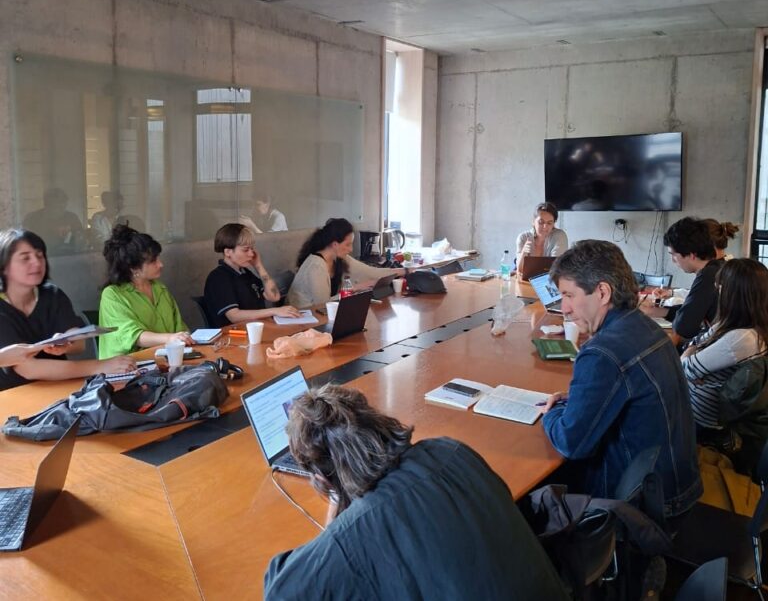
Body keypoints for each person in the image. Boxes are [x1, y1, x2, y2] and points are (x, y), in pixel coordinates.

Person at [264, 384, 569, 600]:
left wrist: (336, 512)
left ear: (325, 479)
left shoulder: (357, 531)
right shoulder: (450, 450)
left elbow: (280, 591)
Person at [542, 240, 701, 518]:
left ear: (602, 292)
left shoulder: (602, 353)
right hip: (676, 484)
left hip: (645, 508)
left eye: (568, 295)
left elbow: (572, 443)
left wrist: (553, 411)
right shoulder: (648, 328)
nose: (564, 308)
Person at [0, 228, 136, 391]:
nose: (36, 263)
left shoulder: (52, 294)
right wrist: (100, 366)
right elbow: (28, 368)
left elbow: (79, 344)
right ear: (4, 266)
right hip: (15, 394)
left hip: (62, 385)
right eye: (25, 258)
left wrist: (65, 342)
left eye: (39, 255)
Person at [681, 258, 768, 431]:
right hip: (697, 412)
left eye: (720, 286)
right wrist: (693, 350)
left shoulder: (741, 338)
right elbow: (695, 343)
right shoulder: (740, 326)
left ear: (733, 293)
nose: (717, 290)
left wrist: (692, 353)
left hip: (703, 424)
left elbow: (684, 367)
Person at [98, 224, 191, 358]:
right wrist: (170, 338)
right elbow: (133, 335)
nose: (160, 264)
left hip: (165, 361)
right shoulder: (112, 295)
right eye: (153, 261)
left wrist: (182, 337)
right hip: (128, 368)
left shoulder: (160, 288)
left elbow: (179, 327)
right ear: (133, 268)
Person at [640, 217, 723, 346]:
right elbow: (692, 312)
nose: (673, 260)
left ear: (691, 254)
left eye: (673, 254)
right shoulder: (718, 268)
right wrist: (657, 311)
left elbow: (685, 327)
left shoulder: (709, 275)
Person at [287, 218, 405, 309]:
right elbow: (323, 304)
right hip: (302, 318)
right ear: (335, 244)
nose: (351, 249)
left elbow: (370, 272)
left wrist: (403, 271)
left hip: (322, 315)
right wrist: (355, 288)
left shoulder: (339, 258)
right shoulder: (316, 266)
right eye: (347, 244)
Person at [204, 223, 301, 327]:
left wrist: (259, 266)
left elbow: (274, 296)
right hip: (234, 336)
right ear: (228, 252)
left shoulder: (245, 273)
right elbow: (234, 316)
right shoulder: (218, 277)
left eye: (252, 248)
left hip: (256, 329)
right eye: (245, 250)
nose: (251, 254)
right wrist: (274, 311)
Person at [23, 187, 86, 255]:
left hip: (68, 256)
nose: (62, 207)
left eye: (63, 203)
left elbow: (81, 239)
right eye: (57, 203)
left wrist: (76, 238)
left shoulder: (72, 217)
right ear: (47, 203)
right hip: (42, 255)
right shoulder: (33, 218)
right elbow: (25, 241)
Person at [516, 202, 568, 271]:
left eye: (549, 223)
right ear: (533, 222)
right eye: (541, 222)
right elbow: (520, 269)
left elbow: (556, 268)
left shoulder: (559, 236)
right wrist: (523, 253)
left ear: (553, 224)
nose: (545, 227)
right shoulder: (523, 237)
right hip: (526, 280)